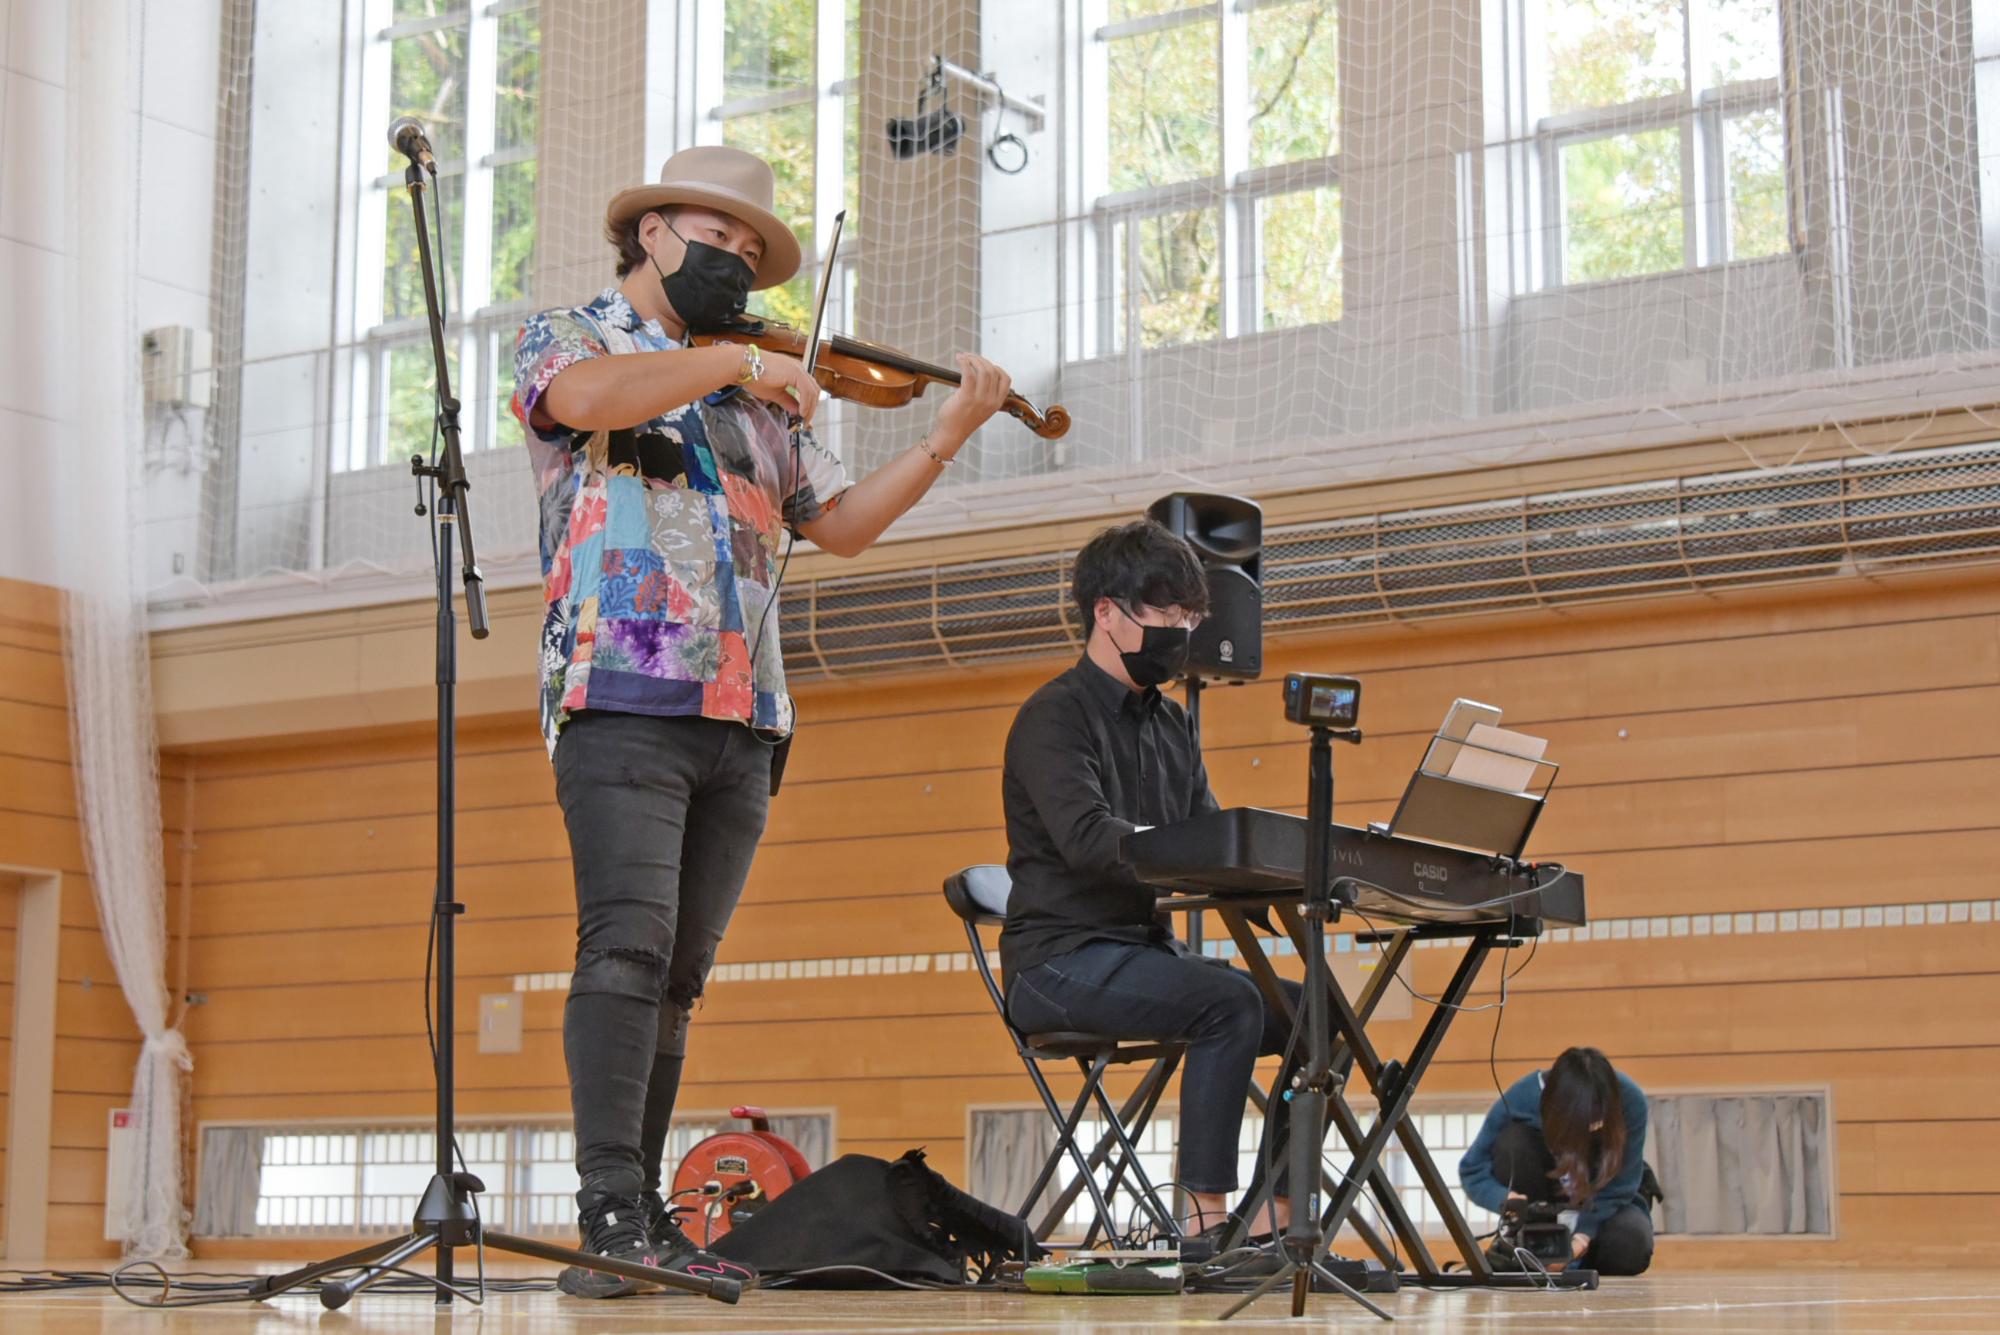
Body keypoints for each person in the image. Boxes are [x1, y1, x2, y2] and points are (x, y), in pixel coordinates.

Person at [513, 144, 1013, 1297]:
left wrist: (943, 437)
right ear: (649, 233)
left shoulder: (757, 392)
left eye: (751, 251)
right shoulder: (574, 335)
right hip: (623, 689)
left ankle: (641, 1213)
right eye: (717, 237)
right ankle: (605, 1215)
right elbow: (582, 406)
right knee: (625, 947)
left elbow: (835, 526)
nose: (735, 261)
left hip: (745, 712)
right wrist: (736, 356)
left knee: (679, 975)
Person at [999, 520, 1303, 1246]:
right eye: (1165, 615)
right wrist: (1187, 853)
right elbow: (1088, 839)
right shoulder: (1052, 717)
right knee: (1228, 1002)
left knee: (1316, 1013)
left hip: (1141, 954)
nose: (1182, 631)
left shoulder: (1172, 725)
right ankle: (1203, 1224)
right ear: (1106, 611)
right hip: (1056, 962)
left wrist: (1294, 878)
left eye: (1190, 618)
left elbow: (1206, 836)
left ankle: (1275, 1216)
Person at [1459, 1046, 1656, 1276]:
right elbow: (1473, 1169)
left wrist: (1580, 1241)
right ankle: (1534, 1246)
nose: (1591, 1130)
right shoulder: (1521, 1097)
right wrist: (1507, 1201)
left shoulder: (1630, 1099)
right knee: (1513, 1141)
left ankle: (1575, 1261)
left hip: (1602, 1208)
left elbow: (1621, 1186)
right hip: (1541, 1208)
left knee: (1632, 1245)